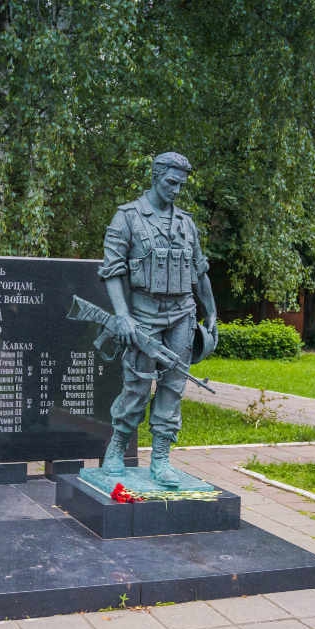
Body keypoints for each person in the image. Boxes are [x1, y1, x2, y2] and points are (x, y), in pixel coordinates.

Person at [97, 152, 217, 486]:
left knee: (173, 386)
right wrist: (122, 316)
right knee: (136, 386)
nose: (176, 190)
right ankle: (117, 448)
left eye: (181, 184)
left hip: (182, 314)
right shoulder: (128, 218)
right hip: (144, 316)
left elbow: (200, 271)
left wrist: (211, 313)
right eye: (170, 182)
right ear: (155, 176)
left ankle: (161, 459)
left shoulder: (186, 223)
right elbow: (111, 271)